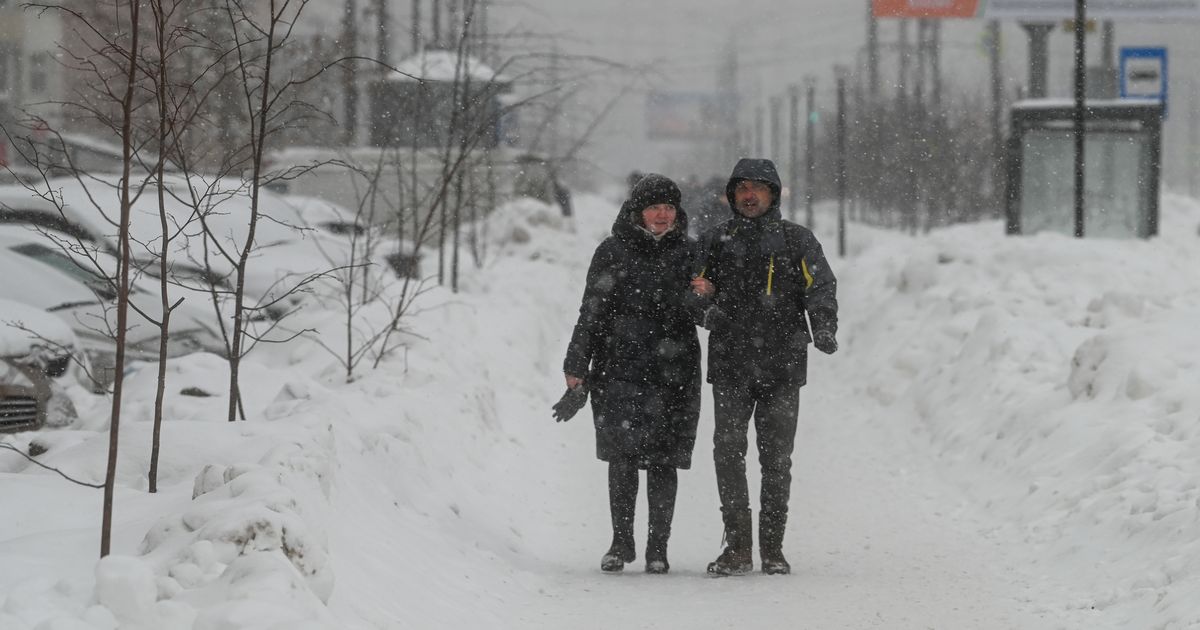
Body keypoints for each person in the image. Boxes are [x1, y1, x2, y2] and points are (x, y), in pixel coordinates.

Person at [690, 158, 838, 576]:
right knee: (727, 454)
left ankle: (773, 548)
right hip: (731, 365)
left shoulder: (796, 240)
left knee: (777, 460)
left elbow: (821, 286)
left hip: (783, 366)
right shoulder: (715, 240)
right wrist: (707, 312)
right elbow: (690, 289)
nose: (749, 195)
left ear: (773, 194)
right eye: (742, 188)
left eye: (758, 188)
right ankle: (737, 547)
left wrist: (823, 327)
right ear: (732, 194)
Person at [559, 174, 702, 574]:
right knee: (622, 457)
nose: (662, 214)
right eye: (655, 207)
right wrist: (576, 365)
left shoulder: (692, 253)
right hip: (618, 364)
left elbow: (708, 314)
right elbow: (591, 311)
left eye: (670, 208)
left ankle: (659, 547)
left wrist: (703, 296)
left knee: (664, 458)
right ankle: (621, 542)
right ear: (638, 211)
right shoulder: (612, 252)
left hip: (675, 370)